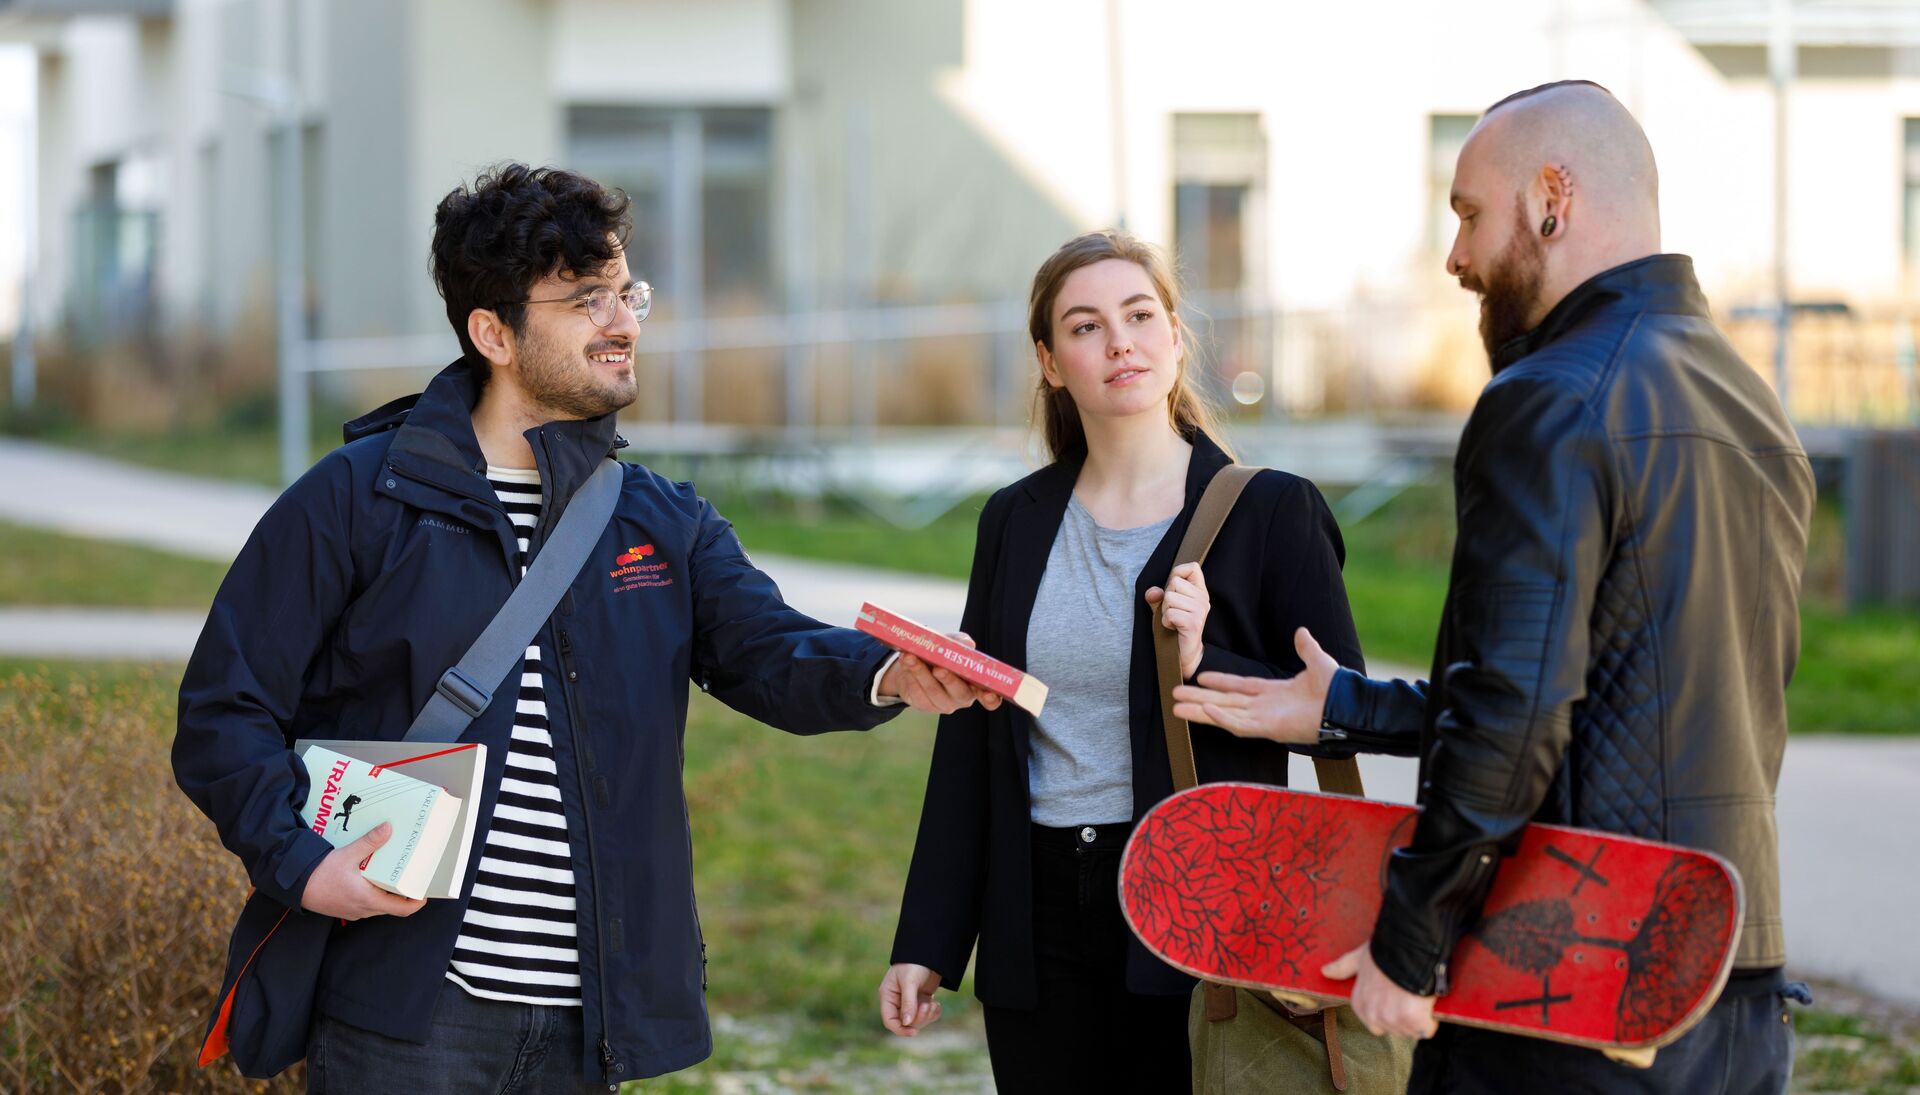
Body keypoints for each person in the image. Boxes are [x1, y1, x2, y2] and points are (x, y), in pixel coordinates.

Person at [173, 163, 995, 1093]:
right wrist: (305, 865)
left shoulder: (659, 520)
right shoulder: (360, 500)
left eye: (626, 291)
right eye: (586, 299)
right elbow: (221, 712)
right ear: (494, 333)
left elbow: (771, 652)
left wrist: (888, 669)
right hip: (408, 1013)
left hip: (592, 1016)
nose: (624, 321)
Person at [1173, 81, 1814, 1093]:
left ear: (1553, 196)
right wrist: (1346, 705)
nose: (1456, 257)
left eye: (1469, 212)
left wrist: (1407, 943)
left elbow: (1515, 715)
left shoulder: (1548, 401)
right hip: (1730, 991)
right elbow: (1623, 701)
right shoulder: (1749, 402)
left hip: (1568, 998)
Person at [877, 229, 1367, 1092]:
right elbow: (973, 743)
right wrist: (927, 943)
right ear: (1050, 361)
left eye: (1140, 315)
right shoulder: (1013, 521)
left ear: (1176, 338)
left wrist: (1212, 656)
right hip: (1034, 916)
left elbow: (1340, 717)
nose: (1119, 342)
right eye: (1086, 325)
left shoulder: (1272, 514)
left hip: (1200, 914)